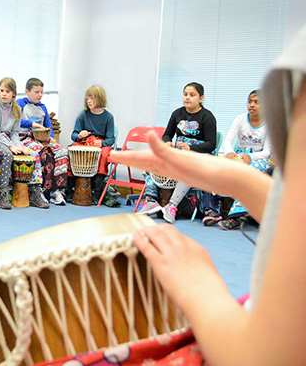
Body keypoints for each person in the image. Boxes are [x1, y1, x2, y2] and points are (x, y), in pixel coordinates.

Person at [96, 28, 306, 366]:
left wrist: (197, 284)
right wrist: (231, 177)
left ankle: (173, 206)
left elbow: (259, 357)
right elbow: (295, 216)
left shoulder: (208, 117)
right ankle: (162, 201)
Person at [138, 82, 217, 223]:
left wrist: (190, 149)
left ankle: (172, 205)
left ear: (201, 98)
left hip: (198, 155)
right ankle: (151, 200)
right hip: (179, 152)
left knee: (188, 167)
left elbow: (211, 144)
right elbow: (167, 135)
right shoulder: (177, 113)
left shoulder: (207, 117)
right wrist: (167, 142)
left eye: (192, 95)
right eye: (185, 94)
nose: (187, 97)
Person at [201, 90, 272, 230]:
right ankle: (212, 210)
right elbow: (228, 140)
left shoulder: (269, 125)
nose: (252, 105)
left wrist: (250, 157)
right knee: (212, 167)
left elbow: (267, 152)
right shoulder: (240, 119)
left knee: (248, 173)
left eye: (257, 102)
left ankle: (236, 218)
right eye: (250, 101)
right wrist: (230, 153)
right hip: (238, 156)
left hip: (258, 158)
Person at [0, 77, 49, 210]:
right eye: (1, 90)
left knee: (34, 154)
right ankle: (3, 192)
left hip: (10, 138)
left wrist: (19, 146)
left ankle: (35, 190)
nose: (4, 94)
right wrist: (12, 146)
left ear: (13, 93)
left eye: (7, 91)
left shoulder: (17, 110)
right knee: (8, 155)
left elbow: (15, 133)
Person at [16, 78, 68, 206]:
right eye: (36, 92)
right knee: (42, 152)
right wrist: (32, 124)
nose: (40, 95)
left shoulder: (42, 107)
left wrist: (50, 136)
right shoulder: (20, 103)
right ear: (27, 91)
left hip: (41, 138)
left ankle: (58, 190)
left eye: (41, 92)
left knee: (62, 151)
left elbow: (48, 125)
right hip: (25, 137)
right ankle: (42, 191)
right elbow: (15, 120)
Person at [68, 85, 118, 206]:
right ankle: (69, 188)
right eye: (87, 99)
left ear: (100, 99)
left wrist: (102, 143)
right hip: (84, 142)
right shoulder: (83, 114)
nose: (89, 101)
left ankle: (96, 190)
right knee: (70, 149)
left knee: (105, 153)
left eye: (92, 98)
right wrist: (79, 136)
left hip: (99, 145)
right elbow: (73, 134)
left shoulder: (108, 117)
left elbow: (111, 139)